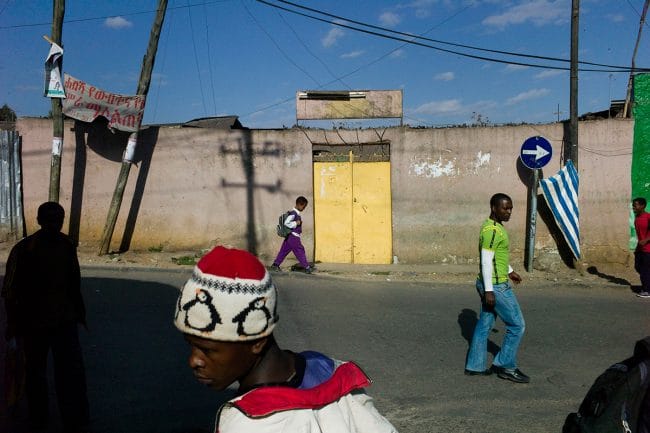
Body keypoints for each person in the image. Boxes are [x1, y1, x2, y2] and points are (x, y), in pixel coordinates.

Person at [174, 245, 398, 433]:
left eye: (208, 350)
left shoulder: (247, 425)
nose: (194, 361)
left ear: (256, 342)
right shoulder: (333, 374)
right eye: (190, 346)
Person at [2, 202, 90, 433]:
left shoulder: (66, 245)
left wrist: (78, 313)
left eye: (57, 220)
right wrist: (13, 322)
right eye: (49, 220)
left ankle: (72, 420)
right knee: (36, 373)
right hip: (35, 323)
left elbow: (74, 281)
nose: (53, 225)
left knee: (67, 374)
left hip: (63, 321)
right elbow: (10, 290)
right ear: (39, 221)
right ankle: (41, 418)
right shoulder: (25, 249)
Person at [464, 193, 529, 383]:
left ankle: (475, 366)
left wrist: (510, 271)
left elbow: (495, 258)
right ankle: (505, 366)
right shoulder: (491, 231)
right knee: (517, 325)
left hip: (495, 280)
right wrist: (489, 290)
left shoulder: (495, 227)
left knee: (485, 324)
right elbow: (485, 260)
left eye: (510, 208)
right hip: (496, 285)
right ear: (494, 208)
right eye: (505, 208)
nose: (508, 212)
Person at [271, 196, 313, 274]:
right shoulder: (293, 214)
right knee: (300, 251)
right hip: (294, 237)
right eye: (304, 206)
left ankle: (275, 264)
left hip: (289, 236)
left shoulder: (295, 213)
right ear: (299, 205)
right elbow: (286, 223)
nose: (304, 208)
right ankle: (307, 267)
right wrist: (296, 223)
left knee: (283, 251)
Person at [633, 197, 650, 298]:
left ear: (642, 206)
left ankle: (646, 291)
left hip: (648, 249)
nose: (633, 207)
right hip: (640, 249)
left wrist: (646, 240)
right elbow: (640, 235)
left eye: (635, 205)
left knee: (645, 270)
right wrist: (637, 247)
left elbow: (645, 237)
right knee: (638, 267)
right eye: (633, 205)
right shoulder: (637, 218)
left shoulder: (648, 217)